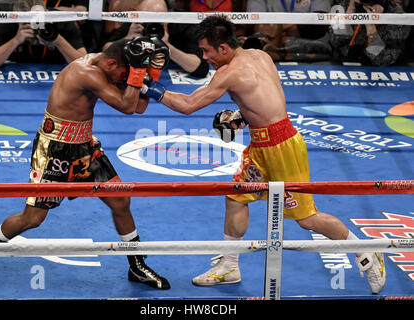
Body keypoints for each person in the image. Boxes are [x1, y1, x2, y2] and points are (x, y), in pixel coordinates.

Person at [141, 15, 386, 294]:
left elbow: (188, 105)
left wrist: (150, 89)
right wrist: (242, 117)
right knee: (236, 196)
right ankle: (229, 266)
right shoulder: (259, 55)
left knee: (306, 219)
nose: (204, 56)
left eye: (207, 50)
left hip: (282, 149)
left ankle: (365, 250)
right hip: (262, 143)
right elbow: (270, 99)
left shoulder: (229, 73)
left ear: (223, 48)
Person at [0, 37, 171, 290]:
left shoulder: (108, 65)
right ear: (110, 63)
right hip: (55, 151)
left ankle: (136, 265)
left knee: (121, 200)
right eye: (123, 72)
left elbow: (138, 106)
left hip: (84, 147)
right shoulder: (86, 72)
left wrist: (152, 70)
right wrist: (140, 72)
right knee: (32, 218)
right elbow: (127, 107)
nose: (123, 78)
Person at [103, 0, 209, 78]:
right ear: (139, 14)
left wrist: (167, 47)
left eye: (160, 20)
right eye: (149, 19)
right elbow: (105, 51)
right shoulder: (136, 25)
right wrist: (127, 39)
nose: (153, 25)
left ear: (168, 15)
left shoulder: (181, 24)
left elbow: (201, 68)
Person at [0, 0, 87, 71]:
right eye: (28, 20)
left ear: (46, 12)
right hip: (19, 71)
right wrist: (16, 40)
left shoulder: (61, 20)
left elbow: (84, 64)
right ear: (18, 17)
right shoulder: (11, 21)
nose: (34, 24)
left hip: (58, 71)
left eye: (38, 18)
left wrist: (58, 41)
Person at [242, 0, 333, 62]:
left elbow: (319, 26)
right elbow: (258, 24)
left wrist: (278, 27)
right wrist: (294, 26)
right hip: (269, 50)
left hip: (314, 50)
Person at [329, 0, 410, 66]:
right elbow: (335, 42)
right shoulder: (344, 5)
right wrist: (348, 16)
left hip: (378, 71)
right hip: (342, 65)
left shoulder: (397, 15)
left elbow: (382, 59)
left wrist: (371, 25)